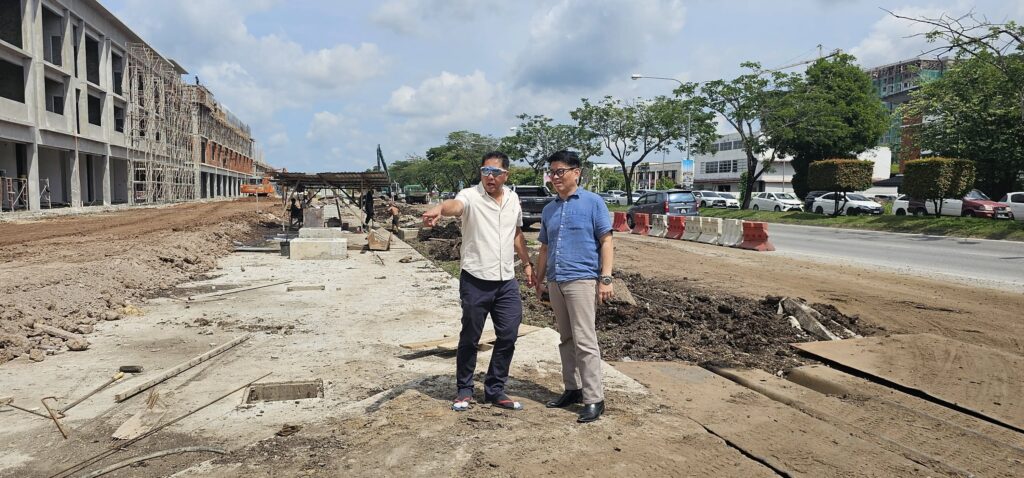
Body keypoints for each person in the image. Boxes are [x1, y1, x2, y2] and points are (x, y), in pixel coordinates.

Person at [422, 151, 535, 411]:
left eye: (495, 172)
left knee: (508, 334)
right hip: (475, 279)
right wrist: (440, 207)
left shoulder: (513, 199)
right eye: (485, 171)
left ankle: (495, 389)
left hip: (506, 280)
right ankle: (464, 390)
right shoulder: (470, 196)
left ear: (506, 174)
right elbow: (456, 206)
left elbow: (516, 233)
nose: (490, 177)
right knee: (470, 336)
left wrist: (527, 264)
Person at [534, 150, 614, 423]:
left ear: (576, 172)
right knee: (566, 339)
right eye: (551, 173)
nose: (554, 177)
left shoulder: (593, 203)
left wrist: (605, 278)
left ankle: (594, 399)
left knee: (585, 340)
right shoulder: (549, 209)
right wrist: (539, 278)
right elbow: (544, 247)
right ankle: (572, 388)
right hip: (556, 281)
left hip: (582, 280)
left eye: (560, 172)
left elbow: (606, 241)